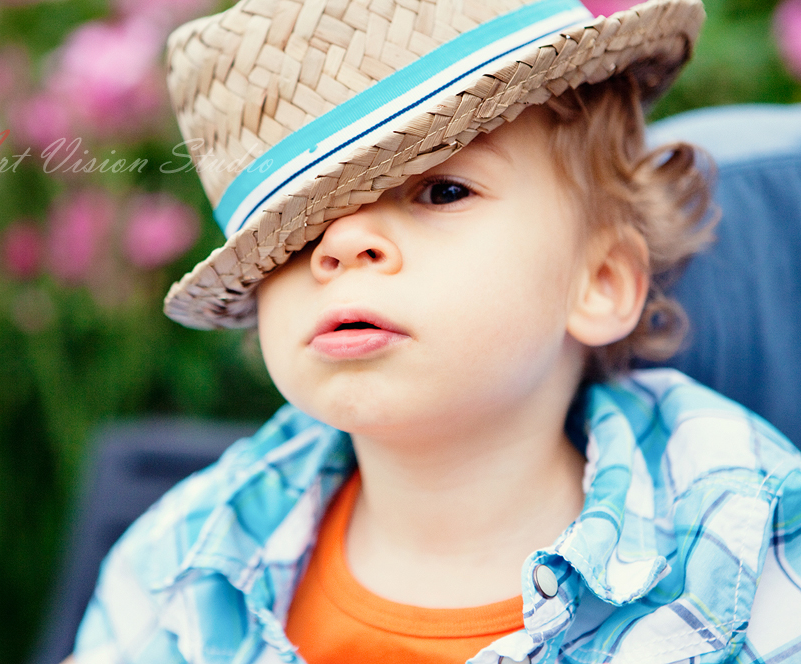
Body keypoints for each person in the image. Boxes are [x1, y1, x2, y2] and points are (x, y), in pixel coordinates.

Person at [69, 0, 801, 660]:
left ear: (601, 280)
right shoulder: (185, 563)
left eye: (442, 190)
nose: (341, 247)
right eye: (291, 236)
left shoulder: (740, 533)